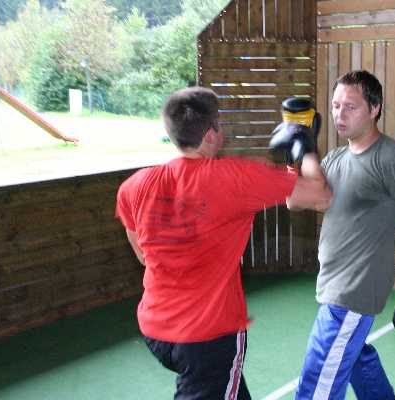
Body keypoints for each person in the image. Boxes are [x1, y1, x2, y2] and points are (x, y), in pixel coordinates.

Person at [115, 86, 331, 400]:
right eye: (220, 122)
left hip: (155, 329)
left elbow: (143, 254)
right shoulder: (234, 177)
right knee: (214, 379)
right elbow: (320, 196)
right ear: (211, 133)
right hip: (207, 338)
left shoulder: (135, 185)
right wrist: (306, 146)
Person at [293, 70, 395, 400]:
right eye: (335, 105)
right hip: (332, 282)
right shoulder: (336, 157)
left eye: (350, 106)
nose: (339, 114)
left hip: (353, 291)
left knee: (317, 380)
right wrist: (299, 152)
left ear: (375, 108)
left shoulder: (393, 160)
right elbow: (298, 201)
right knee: (356, 360)